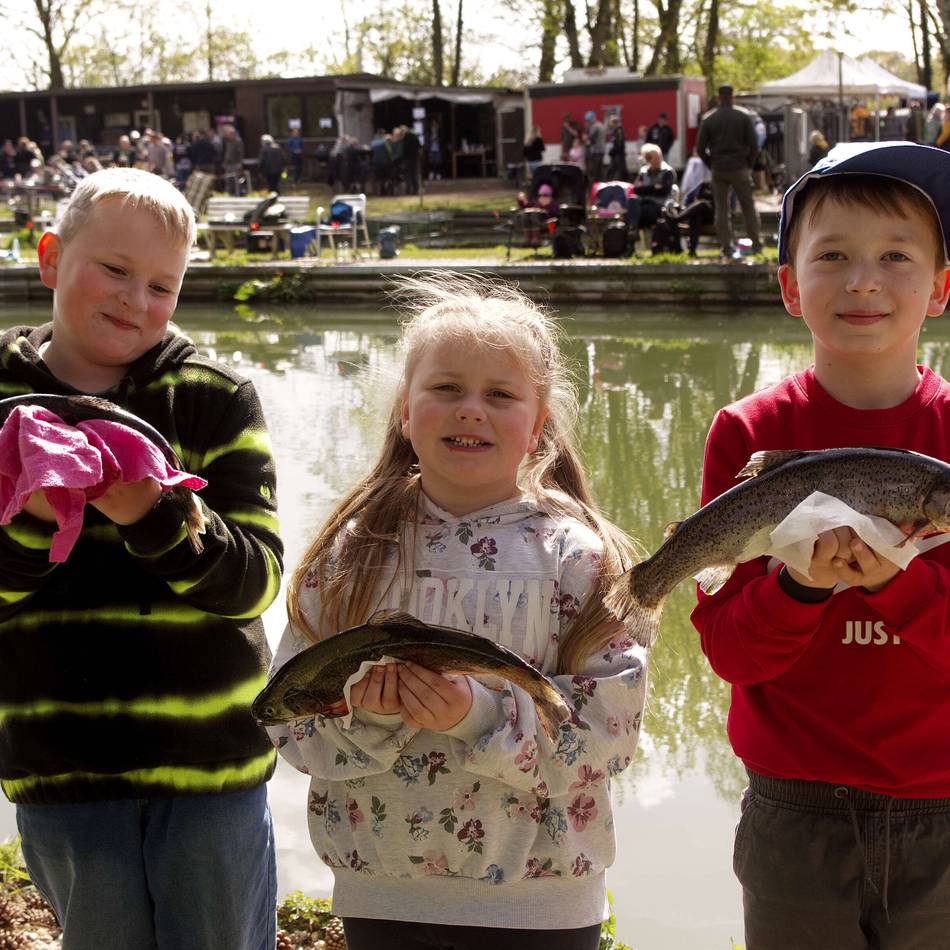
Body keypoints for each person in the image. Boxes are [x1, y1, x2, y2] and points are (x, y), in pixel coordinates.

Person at [266, 275, 647, 950]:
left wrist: (477, 716)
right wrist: (369, 718)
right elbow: (291, 725)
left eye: (499, 395)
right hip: (383, 895)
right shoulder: (350, 556)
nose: (471, 409)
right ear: (405, 413)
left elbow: (607, 738)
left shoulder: (582, 562)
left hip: (544, 904)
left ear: (537, 428)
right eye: (446, 388)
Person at [0, 167, 283, 949]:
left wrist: (152, 514)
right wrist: (30, 516)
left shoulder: (213, 395)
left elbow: (254, 582)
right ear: (50, 256)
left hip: (211, 766)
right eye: (115, 270)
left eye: (162, 285)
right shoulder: (1, 402)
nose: (136, 299)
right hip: (63, 770)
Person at [690, 141, 950, 949]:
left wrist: (894, 588)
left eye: (896, 256)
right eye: (832, 255)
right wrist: (799, 588)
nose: (864, 278)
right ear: (789, 287)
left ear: (942, 287)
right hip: (792, 813)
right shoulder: (748, 432)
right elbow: (733, 654)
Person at [696, 83, 762, 260]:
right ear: (733, 97)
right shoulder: (744, 116)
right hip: (740, 166)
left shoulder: (708, 119)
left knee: (722, 209)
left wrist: (711, 163)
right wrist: (749, 164)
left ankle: (726, 246)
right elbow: (755, 146)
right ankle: (756, 244)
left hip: (719, 167)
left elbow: (700, 148)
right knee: (748, 207)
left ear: (718, 98)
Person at [626, 143, 676, 246]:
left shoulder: (667, 172)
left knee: (632, 215)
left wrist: (646, 189)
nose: (658, 160)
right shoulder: (643, 172)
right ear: (648, 160)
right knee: (632, 200)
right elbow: (636, 189)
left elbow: (664, 191)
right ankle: (633, 230)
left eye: (659, 157)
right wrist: (654, 187)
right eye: (655, 158)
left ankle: (632, 231)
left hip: (659, 206)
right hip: (643, 205)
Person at [584, 110, 606, 184]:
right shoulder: (601, 125)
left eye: (588, 120)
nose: (588, 122)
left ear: (593, 118)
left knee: (594, 172)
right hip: (601, 151)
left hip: (595, 152)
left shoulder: (595, 126)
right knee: (600, 171)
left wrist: (586, 138)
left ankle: (593, 188)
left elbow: (591, 139)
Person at [605, 115, 627, 181]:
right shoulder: (614, 131)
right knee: (611, 171)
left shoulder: (619, 131)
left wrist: (612, 151)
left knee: (619, 171)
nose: (610, 124)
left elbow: (619, 144)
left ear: (614, 122)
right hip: (614, 154)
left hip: (618, 155)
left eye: (611, 122)